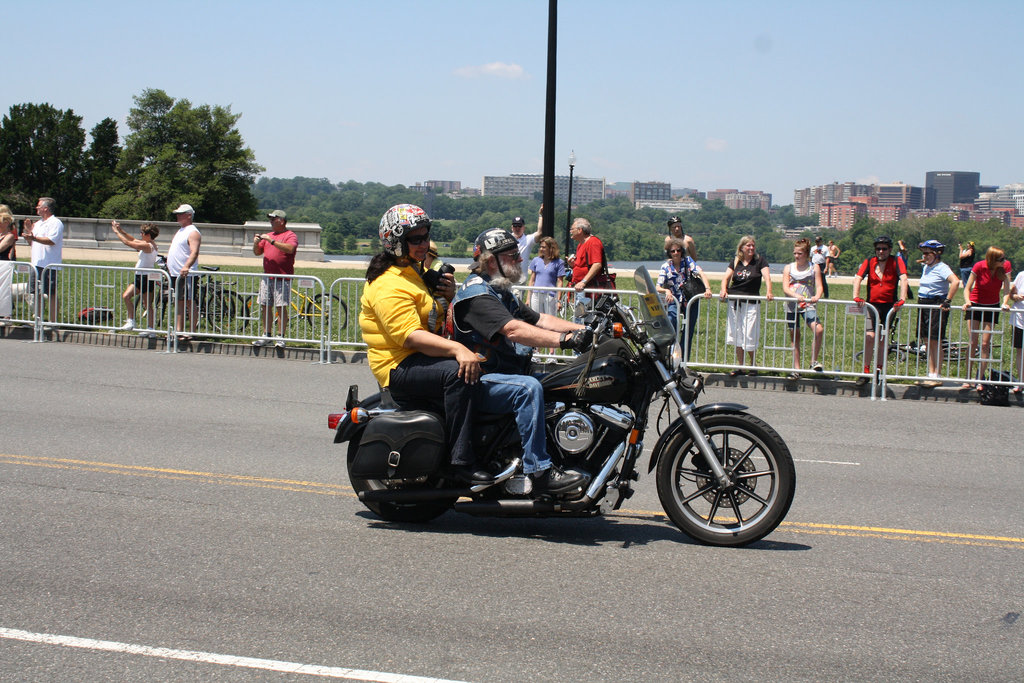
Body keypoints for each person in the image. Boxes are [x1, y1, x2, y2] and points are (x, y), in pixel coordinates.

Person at [451, 228, 591, 494]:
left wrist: (584, 331)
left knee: (561, 384)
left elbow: (540, 319)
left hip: (502, 374)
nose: (519, 260)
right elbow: (514, 330)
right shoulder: (477, 296)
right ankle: (539, 470)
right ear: (492, 261)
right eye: (512, 255)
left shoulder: (500, 290)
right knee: (528, 389)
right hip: (481, 380)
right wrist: (565, 342)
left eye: (517, 254)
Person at [359, 204, 485, 481]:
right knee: (458, 374)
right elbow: (409, 335)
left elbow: (433, 315)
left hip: (418, 358)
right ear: (396, 242)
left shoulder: (413, 273)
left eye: (426, 237)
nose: (423, 244)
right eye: (415, 239)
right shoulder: (387, 283)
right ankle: (460, 462)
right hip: (397, 365)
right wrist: (457, 349)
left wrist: (450, 294)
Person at [852, 235, 908, 386]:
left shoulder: (896, 261)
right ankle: (865, 371)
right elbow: (858, 278)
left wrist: (902, 299)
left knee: (882, 340)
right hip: (872, 305)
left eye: (884, 249)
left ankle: (878, 371)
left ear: (890, 250)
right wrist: (856, 296)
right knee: (870, 336)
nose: (881, 251)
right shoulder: (869, 262)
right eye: (878, 249)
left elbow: (903, 279)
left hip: (890, 305)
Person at [720, 235, 773, 376]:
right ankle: (741, 366)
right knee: (736, 333)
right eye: (748, 245)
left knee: (749, 333)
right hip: (735, 302)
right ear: (741, 247)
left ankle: (753, 365)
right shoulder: (736, 261)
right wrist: (724, 290)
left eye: (753, 245)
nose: (751, 248)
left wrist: (769, 291)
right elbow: (725, 278)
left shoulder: (760, 261)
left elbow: (767, 277)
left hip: (751, 302)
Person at [961, 246, 1012, 391]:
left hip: (992, 305)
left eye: (1004, 258)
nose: (1004, 261)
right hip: (976, 304)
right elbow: (967, 287)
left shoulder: (1005, 267)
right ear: (992, 259)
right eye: (1001, 259)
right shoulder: (979, 266)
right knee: (973, 341)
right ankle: (967, 378)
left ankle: (980, 379)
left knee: (985, 343)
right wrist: (967, 301)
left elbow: (1007, 288)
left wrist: (1005, 303)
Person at [914, 240, 959, 388]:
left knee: (935, 340)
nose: (924, 256)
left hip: (936, 304)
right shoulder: (926, 267)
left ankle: (937, 374)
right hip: (924, 303)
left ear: (936, 254)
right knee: (927, 340)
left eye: (927, 253)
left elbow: (955, 282)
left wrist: (947, 301)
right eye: (923, 253)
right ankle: (930, 373)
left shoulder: (942, 267)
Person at [657, 236, 711, 359]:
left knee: (688, 331)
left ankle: (684, 359)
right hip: (674, 301)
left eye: (678, 250)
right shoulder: (665, 266)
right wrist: (667, 291)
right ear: (669, 253)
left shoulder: (688, 261)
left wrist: (707, 289)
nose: (676, 253)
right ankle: (671, 357)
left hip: (690, 300)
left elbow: (701, 272)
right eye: (673, 251)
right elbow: (657, 286)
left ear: (682, 251)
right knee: (672, 324)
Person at [252, 209, 298, 348]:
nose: (271, 221)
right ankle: (266, 335)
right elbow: (257, 252)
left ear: (282, 221)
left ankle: (281, 336)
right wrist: (255, 243)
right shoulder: (268, 235)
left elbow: (290, 249)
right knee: (265, 306)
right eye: (270, 219)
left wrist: (271, 241)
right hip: (267, 277)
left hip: (282, 278)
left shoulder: (290, 235)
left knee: (281, 307)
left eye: (274, 219)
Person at [781, 238, 824, 379]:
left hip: (807, 305)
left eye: (799, 253)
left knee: (818, 329)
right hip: (792, 305)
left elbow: (819, 286)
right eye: (795, 253)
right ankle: (796, 369)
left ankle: (813, 361)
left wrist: (817, 295)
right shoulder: (789, 267)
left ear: (806, 254)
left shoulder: (814, 267)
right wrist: (795, 295)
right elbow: (785, 287)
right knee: (795, 337)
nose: (797, 256)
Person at [111, 220, 160, 337]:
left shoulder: (148, 245)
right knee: (126, 296)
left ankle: (151, 329)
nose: (140, 235)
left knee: (147, 304)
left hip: (146, 277)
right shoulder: (148, 242)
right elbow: (133, 239)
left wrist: (116, 232)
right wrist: (121, 230)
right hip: (140, 276)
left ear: (148, 235)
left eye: (142, 233)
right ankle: (131, 321)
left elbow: (128, 243)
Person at [21, 197, 64, 324]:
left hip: (49, 264)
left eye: (39, 206)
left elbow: (51, 240)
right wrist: (29, 232)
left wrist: (33, 238)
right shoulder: (38, 224)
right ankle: (38, 320)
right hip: (36, 263)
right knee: (36, 292)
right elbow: (32, 242)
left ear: (46, 208)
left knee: (50, 293)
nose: (37, 208)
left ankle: (53, 320)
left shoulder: (55, 223)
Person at [166, 204, 202, 340]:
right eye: (177, 214)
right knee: (179, 302)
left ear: (189, 215)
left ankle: (192, 331)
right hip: (176, 274)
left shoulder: (193, 232)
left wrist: (186, 266)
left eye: (181, 214)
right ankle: (178, 330)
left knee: (189, 302)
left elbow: (194, 252)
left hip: (187, 274)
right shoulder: (181, 230)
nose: (178, 216)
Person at [569, 217, 610, 302]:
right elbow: (582, 265)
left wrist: (583, 282)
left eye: (572, 229)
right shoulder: (580, 245)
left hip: (588, 290)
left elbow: (597, 264)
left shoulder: (593, 242)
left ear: (580, 230)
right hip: (580, 288)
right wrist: (572, 265)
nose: (570, 231)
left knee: (585, 314)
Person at [526, 236, 566, 318]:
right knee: (536, 319)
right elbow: (532, 280)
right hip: (536, 294)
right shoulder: (536, 260)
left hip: (550, 296)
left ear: (551, 248)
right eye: (540, 246)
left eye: (544, 247)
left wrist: (558, 300)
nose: (541, 249)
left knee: (550, 319)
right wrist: (528, 298)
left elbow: (560, 282)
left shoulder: (559, 262)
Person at [1006, 267, 1024, 395]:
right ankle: (1021, 382)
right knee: (1020, 351)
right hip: (1020, 319)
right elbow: (1010, 294)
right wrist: (1016, 296)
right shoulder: (1021, 275)